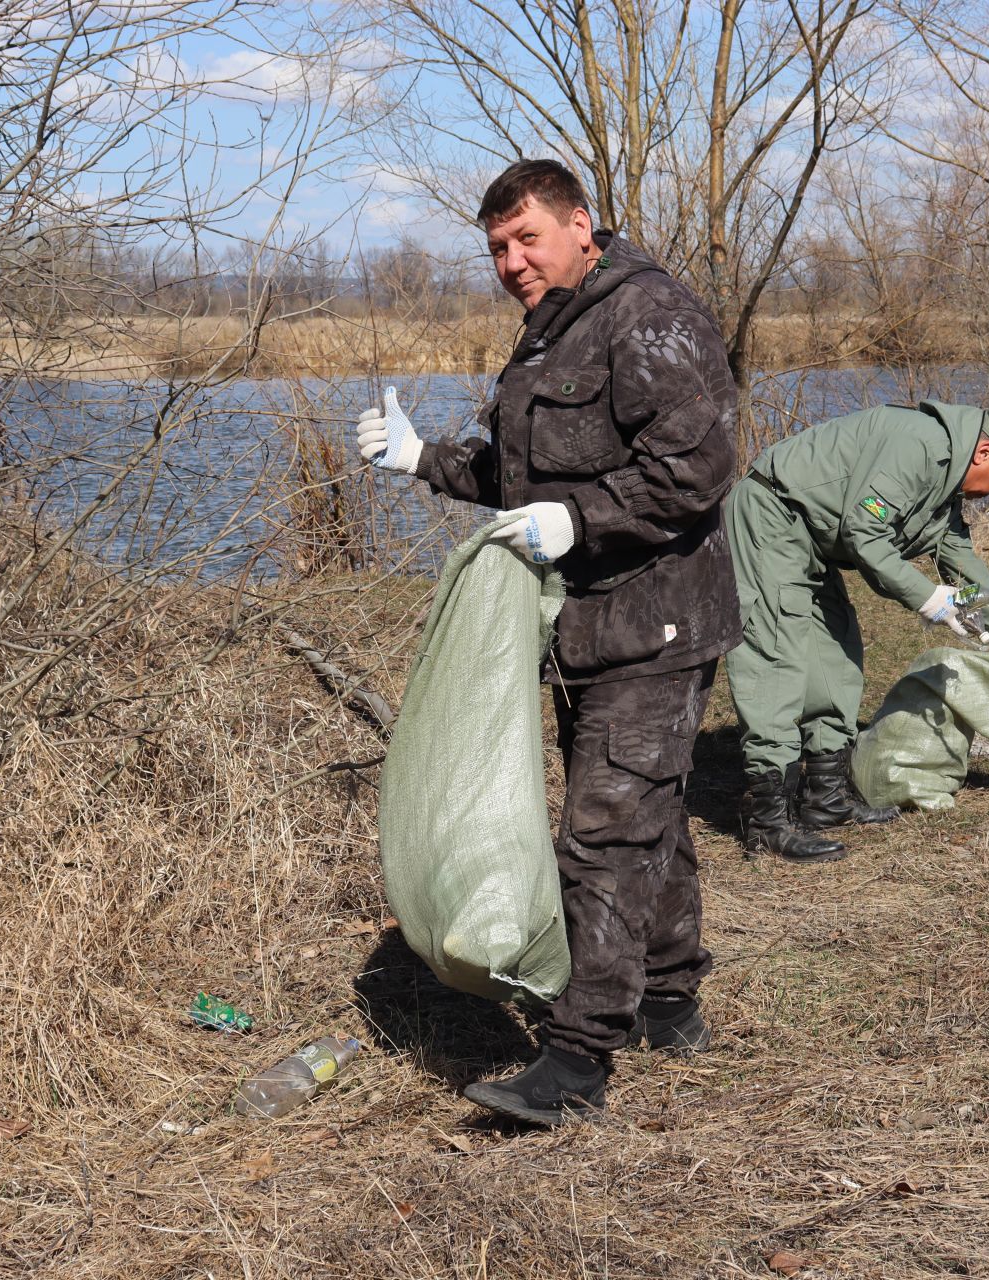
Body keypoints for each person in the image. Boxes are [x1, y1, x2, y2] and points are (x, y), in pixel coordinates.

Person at [353, 159, 741, 1125]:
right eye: (497, 249)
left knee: (602, 832)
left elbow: (697, 469)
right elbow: (524, 480)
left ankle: (575, 1061)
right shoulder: (554, 324)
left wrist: (580, 520)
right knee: (645, 810)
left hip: (659, 618)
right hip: (591, 627)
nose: (513, 262)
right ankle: (670, 995)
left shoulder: (647, 315)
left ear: (582, 223)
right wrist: (422, 461)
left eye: (528, 238)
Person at [724, 402, 989, 860]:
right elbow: (864, 532)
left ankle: (824, 799)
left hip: (812, 541)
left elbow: (961, 559)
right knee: (778, 653)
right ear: (985, 452)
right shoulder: (918, 447)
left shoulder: (944, 485)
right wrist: (931, 600)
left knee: (836, 655)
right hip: (772, 518)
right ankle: (768, 821)